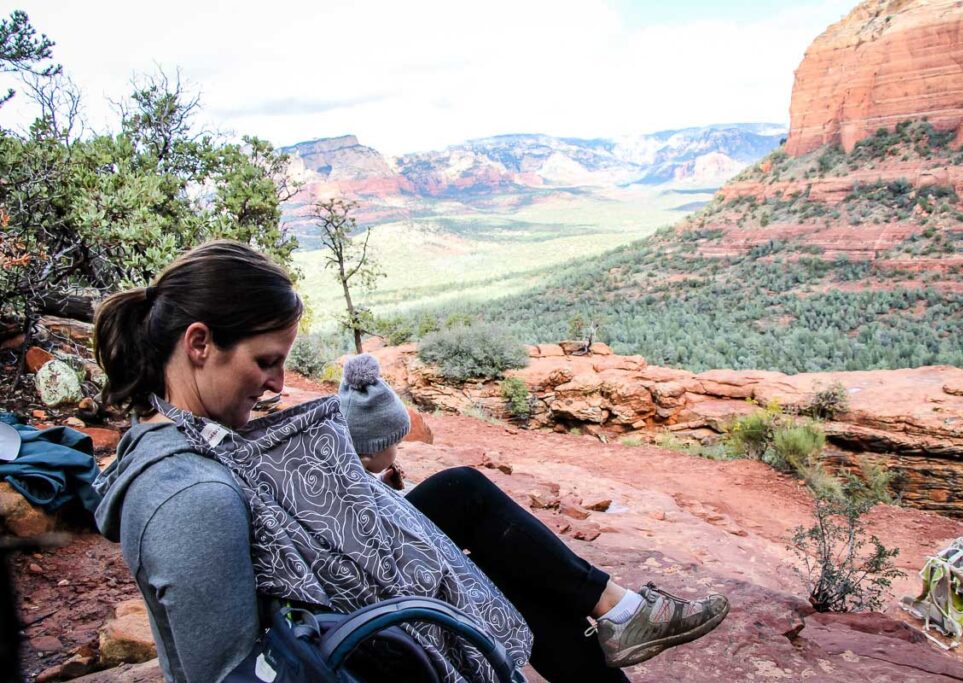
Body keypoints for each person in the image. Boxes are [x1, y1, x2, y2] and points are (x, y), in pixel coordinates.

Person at [91, 240, 729, 683]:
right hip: (350, 652)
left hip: (341, 622)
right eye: (265, 361)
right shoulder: (189, 501)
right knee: (488, 572)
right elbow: (233, 675)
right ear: (199, 344)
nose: (279, 385)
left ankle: (620, 614)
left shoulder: (184, 436)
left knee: (459, 499)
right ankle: (621, 614)